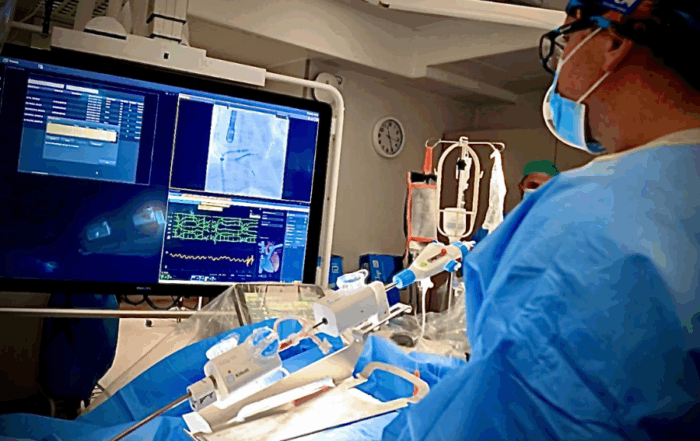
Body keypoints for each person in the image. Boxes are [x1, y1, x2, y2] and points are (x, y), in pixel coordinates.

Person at [382, 1, 700, 440]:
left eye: (566, 39)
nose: (561, 61)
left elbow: (504, 417)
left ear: (614, 40)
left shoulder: (580, 221)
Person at [470, 159, 559, 244]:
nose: (539, 191)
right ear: (521, 188)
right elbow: (474, 251)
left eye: (546, 187)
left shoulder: (560, 229)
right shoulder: (497, 225)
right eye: (533, 186)